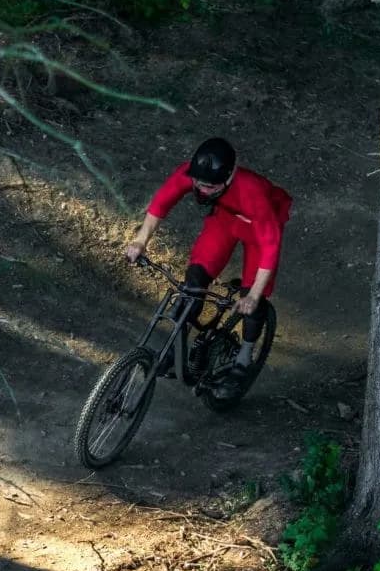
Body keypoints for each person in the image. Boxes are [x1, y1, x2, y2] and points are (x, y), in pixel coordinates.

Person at [123, 137, 292, 396]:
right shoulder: (192, 174)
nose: (201, 191)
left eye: (210, 187)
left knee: (252, 300)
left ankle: (243, 360)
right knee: (193, 283)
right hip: (225, 218)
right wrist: (140, 241)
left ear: (229, 177)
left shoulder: (252, 191)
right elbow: (161, 203)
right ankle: (175, 350)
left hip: (260, 229)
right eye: (199, 184)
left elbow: (270, 245)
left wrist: (255, 295)